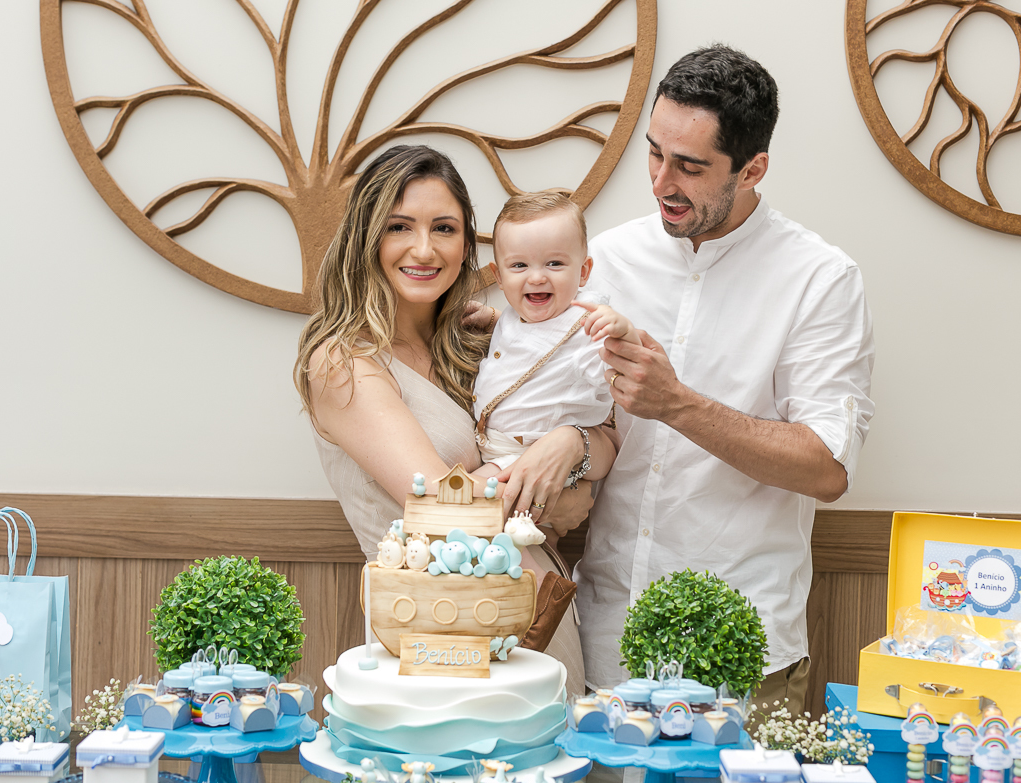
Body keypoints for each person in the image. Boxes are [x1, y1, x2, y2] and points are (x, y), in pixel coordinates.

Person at [574, 45, 876, 710]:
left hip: (744, 652)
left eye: (689, 166)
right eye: (654, 153)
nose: (660, 181)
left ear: (753, 168)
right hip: (604, 637)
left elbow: (827, 467)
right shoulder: (603, 260)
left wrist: (678, 403)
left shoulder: (820, 281)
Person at [293, 145, 608, 696]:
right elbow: (438, 503)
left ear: (467, 244)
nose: (424, 248)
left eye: (444, 227)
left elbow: (604, 436)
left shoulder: (483, 344)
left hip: (539, 616)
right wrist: (549, 483)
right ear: (366, 237)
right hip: (438, 633)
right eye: (399, 226)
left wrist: (568, 444)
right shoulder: (343, 362)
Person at [472, 192, 637, 506]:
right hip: (499, 448)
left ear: (584, 271)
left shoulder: (585, 329)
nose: (536, 276)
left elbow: (621, 364)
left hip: (533, 456)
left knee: (462, 496)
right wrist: (489, 321)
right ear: (499, 277)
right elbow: (525, 348)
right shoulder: (511, 315)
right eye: (519, 265)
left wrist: (623, 334)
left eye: (555, 263)